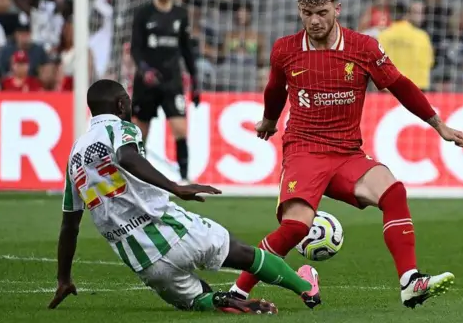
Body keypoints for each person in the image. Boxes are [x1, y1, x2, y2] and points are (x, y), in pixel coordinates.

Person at [229, 0, 463, 309]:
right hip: (304, 151)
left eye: (322, 13)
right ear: (299, 11)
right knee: (295, 227)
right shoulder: (285, 49)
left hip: (346, 153)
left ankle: (410, 281)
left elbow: (399, 85)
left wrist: (438, 124)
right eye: (307, 13)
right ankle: (237, 292)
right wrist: (270, 120)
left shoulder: (363, 48)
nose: (314, 21)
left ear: (337, 10)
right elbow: (275, 88)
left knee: (393, 191)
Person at [48, 79, 321, 314]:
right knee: (244, 254)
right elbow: (127, 157)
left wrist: (63, 278)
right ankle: (307, 289)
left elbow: (69, 225)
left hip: (143, 261)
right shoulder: (121, 128)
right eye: (128, 102)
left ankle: (218, 301)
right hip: (171, 229)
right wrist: (175, 187)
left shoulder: (74, 157)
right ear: (121, 105)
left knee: (196, 299)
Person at [130, 0, 199, 184]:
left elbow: (187, 50)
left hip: (172, 81)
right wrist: (144, 70)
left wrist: (195, 82)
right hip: (146, 82)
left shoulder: (181, 14)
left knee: (180, 128)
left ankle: (184, 177)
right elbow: (135, 48)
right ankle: (137, 176)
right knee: (141, 132)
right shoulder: (143, 14)